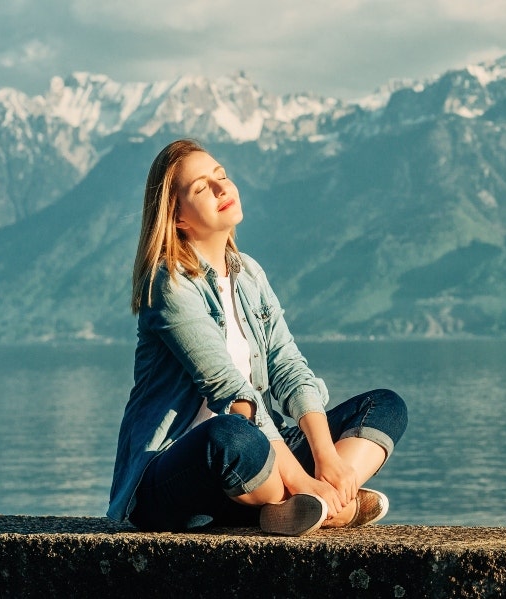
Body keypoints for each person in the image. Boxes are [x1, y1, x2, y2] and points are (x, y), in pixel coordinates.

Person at [108, 139, 407, 535]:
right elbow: (232, 393)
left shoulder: (248, 273)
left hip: (260, 463)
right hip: (179, 475)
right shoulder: (170, 283)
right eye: (200, 188)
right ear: (177, 217)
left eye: (221, 177)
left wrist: (326, 459)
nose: (221, 189)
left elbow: (288, 367)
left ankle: (304, 506)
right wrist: (304, 479)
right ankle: (319, 504)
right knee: (230, 435)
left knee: (385, 406)